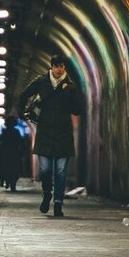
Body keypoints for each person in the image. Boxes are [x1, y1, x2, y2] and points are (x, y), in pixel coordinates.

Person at [16, 56, 83, 217]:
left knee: (60, 172)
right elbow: (23, 95)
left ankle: (58, 203)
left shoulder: (71, 86)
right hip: (45, 132)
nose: (59, 69)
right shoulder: (41, 81)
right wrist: (21, 114)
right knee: (45, 170)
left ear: (64, 68)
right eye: (56, 66)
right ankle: (47, 194)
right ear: (51, 67)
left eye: (62, 66)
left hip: (63, 133)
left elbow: (77, 110)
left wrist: (69, 92)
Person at [0, 115, 27, 192]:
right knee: (15, 169)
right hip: (14, 153)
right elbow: (21, 142)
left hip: (6, 153)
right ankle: (12, 184)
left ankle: (9, 182)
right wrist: (22, 151)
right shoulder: (16, 132)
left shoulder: (4, 133)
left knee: (6, 169)